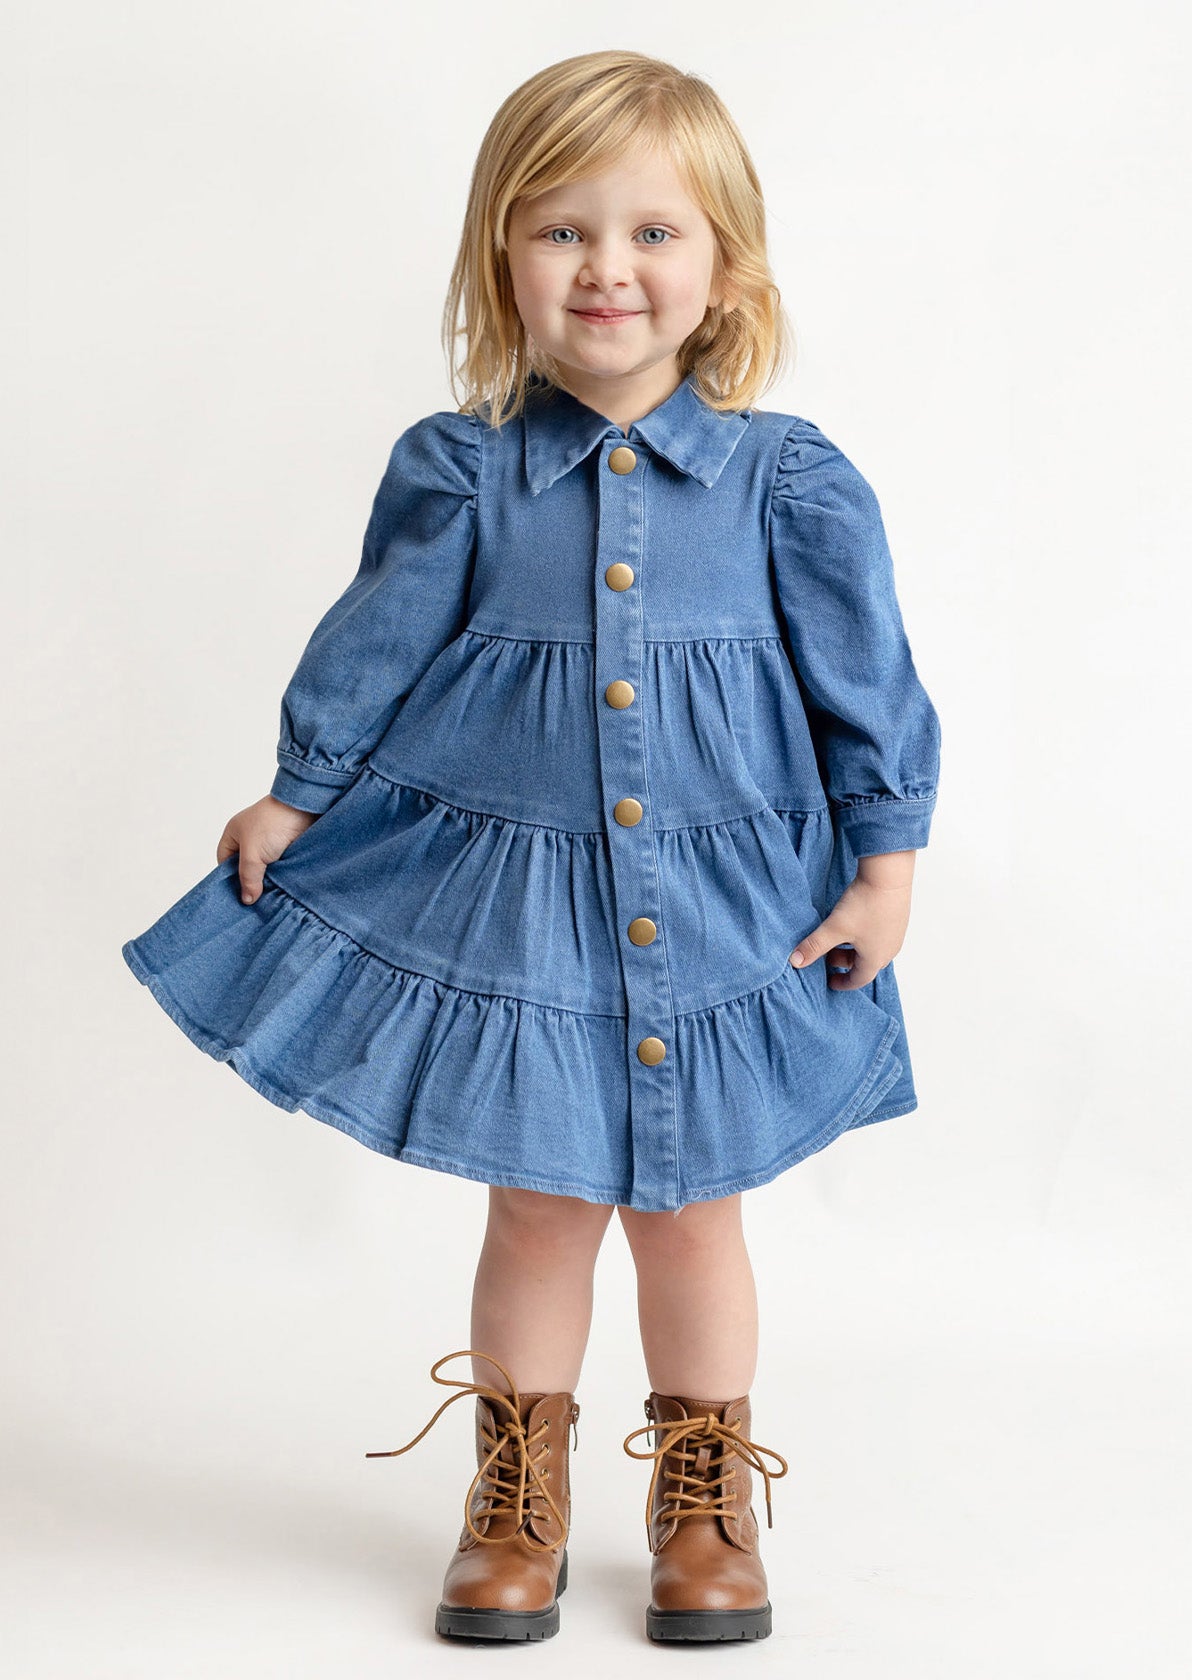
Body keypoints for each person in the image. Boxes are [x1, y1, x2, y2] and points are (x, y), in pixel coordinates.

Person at [122, 48, 941, 1646]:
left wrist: (886, 862)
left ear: (723, 271)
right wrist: (298, 793)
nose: (608, 271)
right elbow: (378, 647)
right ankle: (518, 1491)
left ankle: (707, 1490)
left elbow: (868, 686)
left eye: (653, 234)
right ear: (503, 255)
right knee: (537, 1208)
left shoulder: (792, 483)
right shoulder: (463, 467)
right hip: (530, 917)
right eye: (562, 231)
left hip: (724, 916)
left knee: (698, 1209)